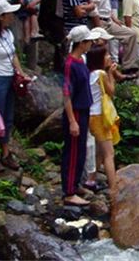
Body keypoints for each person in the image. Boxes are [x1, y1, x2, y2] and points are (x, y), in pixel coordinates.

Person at [61, 25, 101, 206]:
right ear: (82, 43)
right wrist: (72, 121)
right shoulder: (70, 64)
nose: (91, 43)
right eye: (89, 41)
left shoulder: (81, 61)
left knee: (81, 151)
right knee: (73, 152)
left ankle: (75, 184)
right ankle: (69, 192)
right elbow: (67, 94)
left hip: (84, 109)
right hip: (75, 111)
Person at [0, 0, 29, 172]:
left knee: (7, 116)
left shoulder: (7, 34)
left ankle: (6, 152)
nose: (12, 17)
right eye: (9, 14)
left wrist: (20, 73)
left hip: (9, 77)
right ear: (0, 17)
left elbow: (13, 56)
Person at [87, 0, 139, 73]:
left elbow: (106, 4)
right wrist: (99, 29)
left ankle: (128, 66)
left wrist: (114, 18)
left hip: (108, 20)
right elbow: (94, 9)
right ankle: (105, 73)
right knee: (102, 49)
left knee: (131, 34)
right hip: (98, 21)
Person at [87, 44, 120, 194]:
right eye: (106, 55)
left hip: (91, 115)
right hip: (100, 116)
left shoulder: (90, 73)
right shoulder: (101, 74)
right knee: (109, 153)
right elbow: (111, 92)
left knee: (100, 150)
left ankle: (91, 180)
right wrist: (111, 73)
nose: (109, 57)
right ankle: (113, 188)